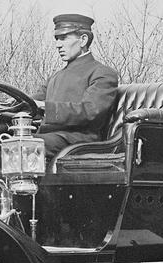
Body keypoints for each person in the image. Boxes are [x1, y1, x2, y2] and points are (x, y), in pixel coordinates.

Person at [32, 13, 118, 160]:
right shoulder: (55, 77)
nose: (58, 44)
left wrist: (46, 107)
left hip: (78, 142)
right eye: (57, 39)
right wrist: (5, 108)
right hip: (50, 138)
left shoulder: (102, 73)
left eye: (64, 38)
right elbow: (30, 103)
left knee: (23, 146)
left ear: (83, 40)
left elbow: (90, 111)